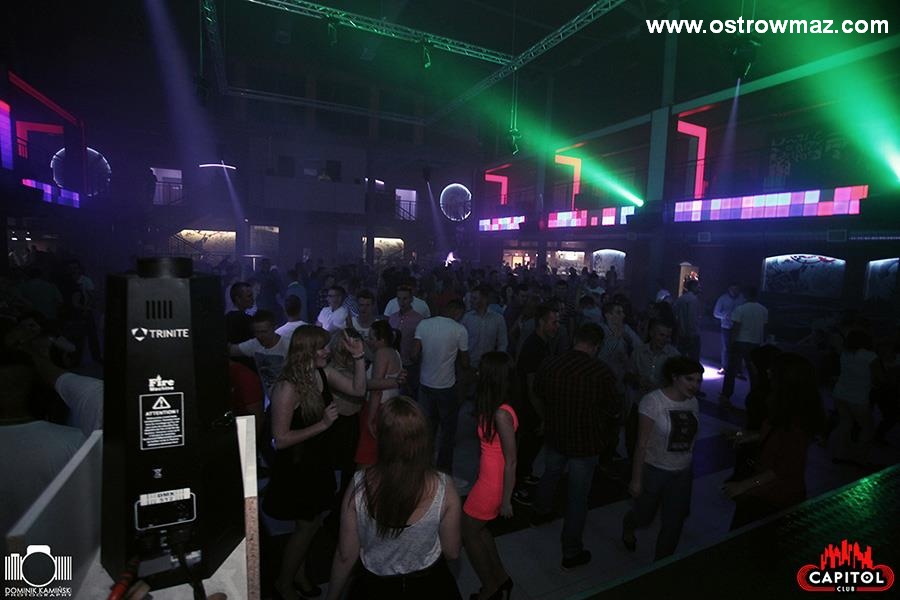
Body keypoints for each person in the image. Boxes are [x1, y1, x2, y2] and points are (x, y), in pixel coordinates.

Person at [264, 326, 366, 600]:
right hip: (297, 467)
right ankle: (283, 582)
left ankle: (299, 574)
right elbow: (280, 440)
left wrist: (359, 357)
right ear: (307, 351)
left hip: (317, 462)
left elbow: (358, 390)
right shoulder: (287, 387)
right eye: (322, 347)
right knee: (307, 526)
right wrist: (323, 424)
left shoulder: (322, 373)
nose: (327, 351)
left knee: (310, 524)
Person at [326, 397, 462, 600]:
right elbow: (452, 552)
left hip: (375, 588)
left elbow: (345, 556)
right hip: (430, 585)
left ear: (381, 438)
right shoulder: (444, 487)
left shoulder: (359, 485)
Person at [529, 323, 621, 570]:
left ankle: (540, 511)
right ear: (597, 346)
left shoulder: (551, 363)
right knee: (578, 496)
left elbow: (538, 392)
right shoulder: (601, 373)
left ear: (574, 339)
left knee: (550, 473)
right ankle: (571, 551)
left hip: (556, 434)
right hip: (585, 441)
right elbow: (614, 408)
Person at [723, 353, 825, 529]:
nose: (768, 372)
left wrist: (744, 486)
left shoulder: (796, 422)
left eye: (774, 371)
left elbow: (783, 468)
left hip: (775, 497)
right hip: (765, 490)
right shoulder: (786, 407)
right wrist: (749, 436)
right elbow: (776, 435)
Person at [623, 356, 702, 560]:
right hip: (654, 470)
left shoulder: (693, 402)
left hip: (682, 472)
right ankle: (628, 525)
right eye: (689, 379)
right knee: (643, 517)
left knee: (674, 523)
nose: (695, 385)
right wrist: (636, 479)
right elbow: (641, 444)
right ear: (674, 377)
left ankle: (662, 564)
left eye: (698, 380)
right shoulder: (653, 402)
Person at [462, 352, 517, 600]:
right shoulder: (494, 407)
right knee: (478, 530)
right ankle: (501, 578)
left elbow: (511, 460)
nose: (477, 373)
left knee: (468, 531)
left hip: (493, 485)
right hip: (487, 479)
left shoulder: (501, 414)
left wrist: (506, 500)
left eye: (481, 370)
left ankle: (490, 589)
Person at [413, 299, 469, 473]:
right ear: (458, 312)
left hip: (425, 384)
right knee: (448, 431)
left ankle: (424, 465)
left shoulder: (424, 325)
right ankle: (443, 469)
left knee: (427, 428)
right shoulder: (459, 329)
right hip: (446, 386)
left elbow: (414, 354)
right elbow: (465, 362)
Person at [355, 321, 403, 466]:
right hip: (390, 405)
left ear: (381, 340)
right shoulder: (394, 352)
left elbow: (377, 390)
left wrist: (370, 419)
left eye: (371, 338)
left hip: (378, 407)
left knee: (368, 455)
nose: (368, 341)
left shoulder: (382, 353)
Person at [830, 329, 878, 467]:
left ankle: (839, 455)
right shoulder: (870, 355)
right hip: (858, 397)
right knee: (867, 427)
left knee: (845, 423)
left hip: (840, 393)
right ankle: (861, 459)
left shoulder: (845, 353)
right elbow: (878, 377)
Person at [720, 287, 768, 408]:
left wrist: (731, 342)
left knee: (731, 371)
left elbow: (735, 328)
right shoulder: (763, 310)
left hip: (740, 342)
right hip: (755, 343)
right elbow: (764, 328)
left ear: (746, 295)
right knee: (753, 372)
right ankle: (755, 397)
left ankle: (726, 396)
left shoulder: (740, 309)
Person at [713, 283, 744, 375]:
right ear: (729, 289)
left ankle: (737, 369)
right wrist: (725, 316)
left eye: (736, 289)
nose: (734, 291)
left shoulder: (742, 299)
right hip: (726, 327)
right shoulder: (723, 298)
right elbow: (715, 313)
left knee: (738, 348)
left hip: (738, 327)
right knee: (726, 348)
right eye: (733, 289)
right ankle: (724, 367)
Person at [673, 280, 701, 362]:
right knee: (693, 359)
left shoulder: (681, 299)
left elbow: (674, 312)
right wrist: (692, 333)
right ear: (693, 287)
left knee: (681, 356)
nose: (699, 289)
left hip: (681, 333)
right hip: (692, 334)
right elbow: (692, 318)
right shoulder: (693, 299)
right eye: (698, 287)